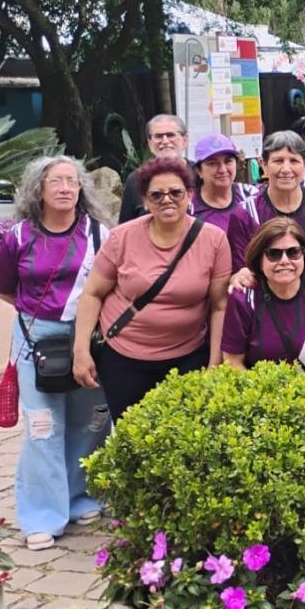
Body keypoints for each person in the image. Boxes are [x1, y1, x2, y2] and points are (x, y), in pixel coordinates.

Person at [0, 156, 114, 551]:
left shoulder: (100, 234)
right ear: (38, 189)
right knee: (43, 426)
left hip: (89, 338)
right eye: (55, 180)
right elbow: (5, 290)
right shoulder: (19, 236)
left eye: (72, 181)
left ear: (82, 189)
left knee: (90, 423)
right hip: (36, 337)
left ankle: (82, 498)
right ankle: (41, 516)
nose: (65, 187)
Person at [72, 158, 231, 419]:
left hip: (188, 358)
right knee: (132, 439)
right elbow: (92, 294)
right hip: (124, 359)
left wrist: (215, 362)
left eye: (175, 192)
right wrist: (81, 350)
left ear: (190, 195)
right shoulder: (121, 238)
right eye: (156, 195)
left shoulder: (213, 240)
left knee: (185, 439)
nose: (166, 200)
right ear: (145, 201)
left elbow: (219, 306)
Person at [221, 218, 305, 383]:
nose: (284, 261)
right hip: (259, 396)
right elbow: (233, 361)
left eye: (293, 252)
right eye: (273, 254)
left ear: (304, 255)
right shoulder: (244, 298)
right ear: (259, 259)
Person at [227, 131, 305, 283]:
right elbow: (240, 270)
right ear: (263, 164)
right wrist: (241, 277)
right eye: (278, 161)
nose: (286, 169)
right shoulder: (245, 213)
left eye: (294, 161)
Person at [118, 114, 191, 223]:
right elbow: (125, 227)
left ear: (184, 140)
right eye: (158, 136)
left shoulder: (200, 174)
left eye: (170, 135)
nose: (165, 141)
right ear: (150, 143)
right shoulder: (136, 180)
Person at [190, 134, 258, 234]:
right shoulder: (189, 205)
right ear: (199, 171)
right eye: (213, 163)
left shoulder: (251, 195)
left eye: (228, 161)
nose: (222, 169)